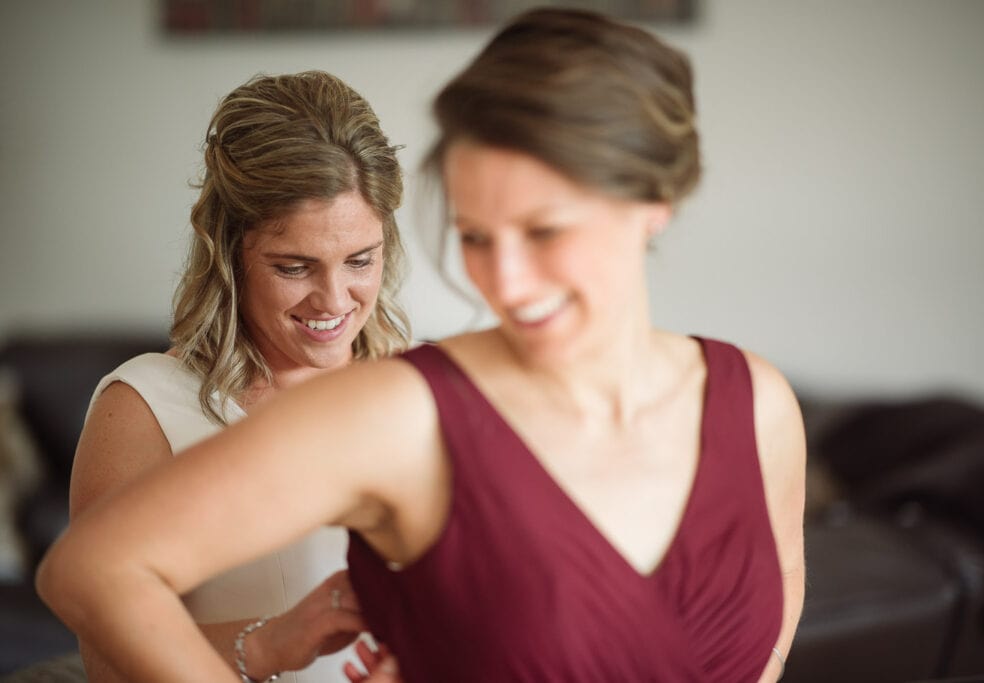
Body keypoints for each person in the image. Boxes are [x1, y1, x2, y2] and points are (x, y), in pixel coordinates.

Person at [39, 9, 806, 682]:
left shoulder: (759, 402)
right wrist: (270, 643)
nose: (501, 282)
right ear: (230, 252)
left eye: (544, 231)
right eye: (474, 236)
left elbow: (760, 640)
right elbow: (97, 583)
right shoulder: (405, 409)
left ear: (654, 206)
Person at [66, 71, 407, 682]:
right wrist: (272, 643)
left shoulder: (417, 389)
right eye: (294, 266)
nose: (334, 299)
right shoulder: (145, 408)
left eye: (361, 260)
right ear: (230, 254)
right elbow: (107, 664)